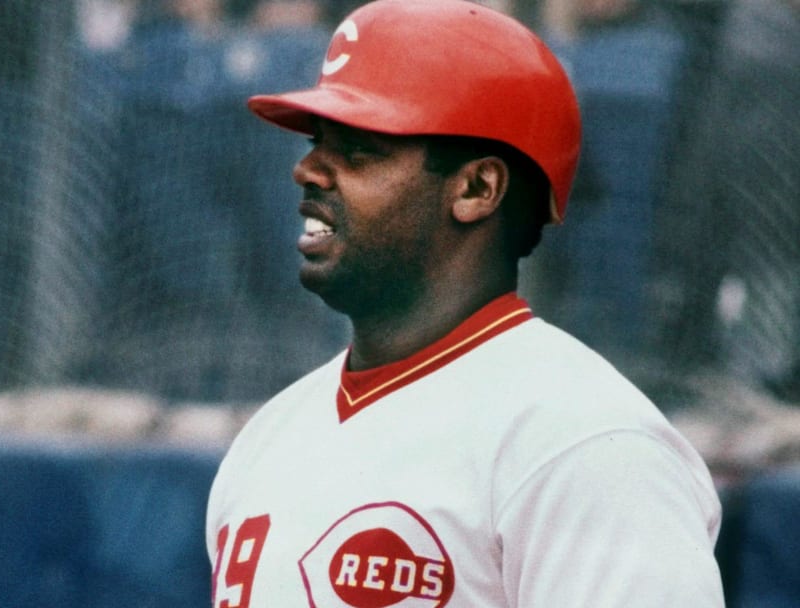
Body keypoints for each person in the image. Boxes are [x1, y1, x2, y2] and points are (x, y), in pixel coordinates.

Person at [205, 1, 725, 606]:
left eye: (357, 151)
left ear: (478, 188)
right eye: (317, 143)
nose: (307, 170)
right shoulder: (269, 437)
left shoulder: (585, 443)